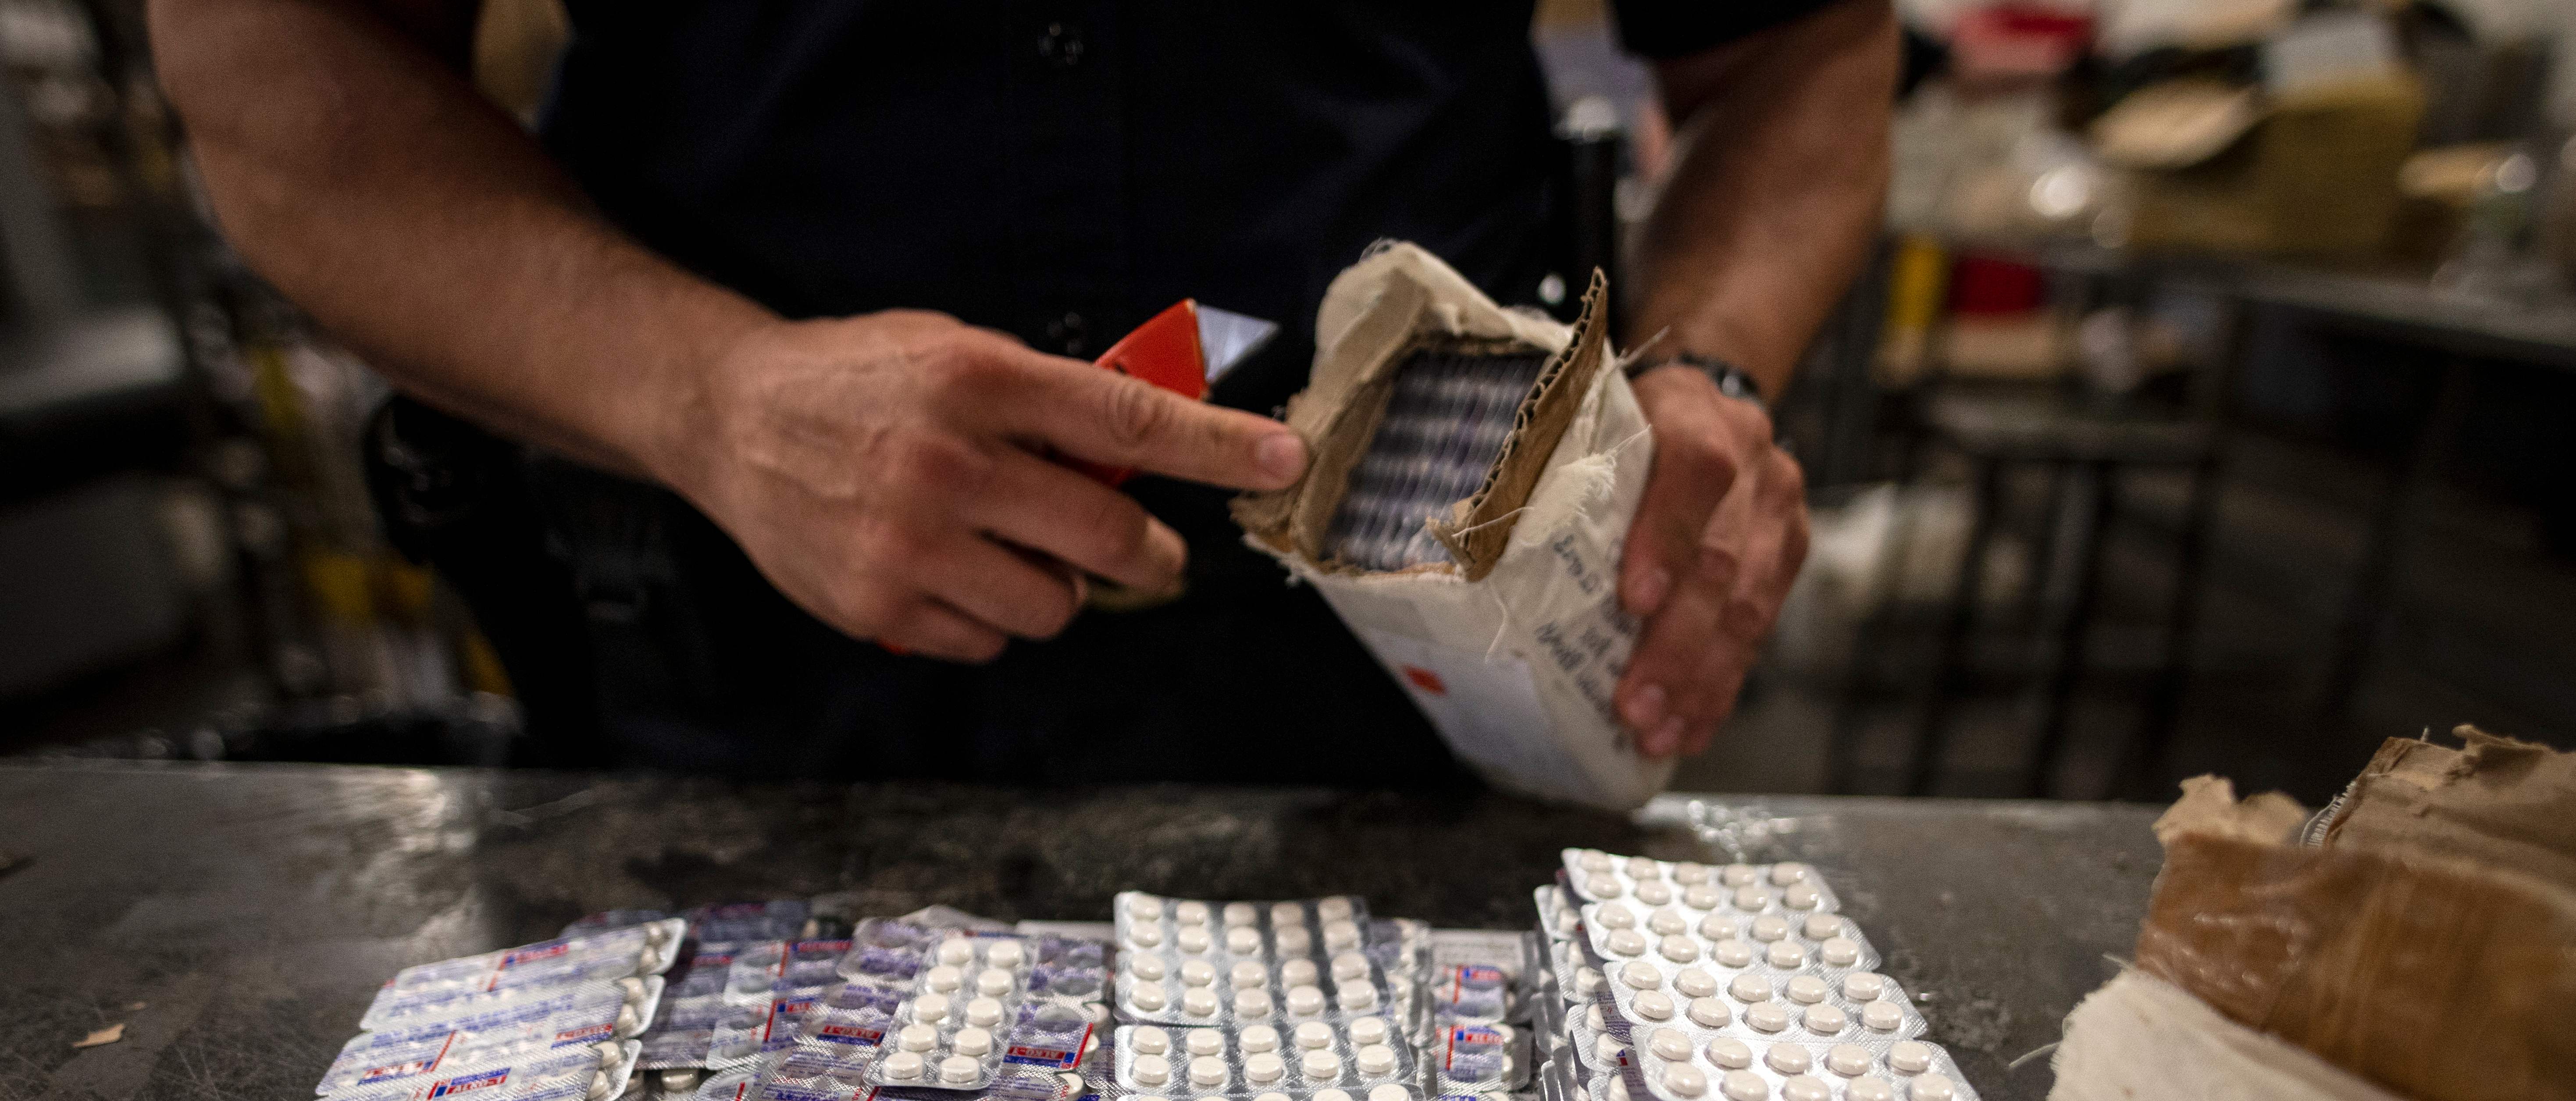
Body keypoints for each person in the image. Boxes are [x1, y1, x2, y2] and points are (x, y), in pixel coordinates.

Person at [152, 2, 1895, 784]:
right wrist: (709, 395)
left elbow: (1795, 47)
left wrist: (1707, 362)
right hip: (744, 684)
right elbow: (276, 73)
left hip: (1418, 661)